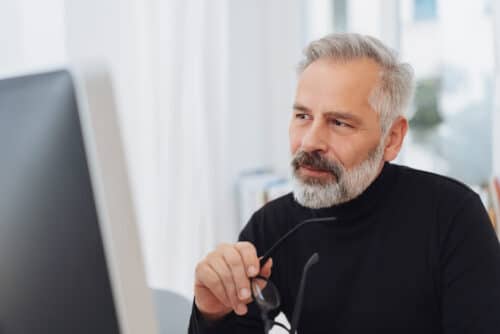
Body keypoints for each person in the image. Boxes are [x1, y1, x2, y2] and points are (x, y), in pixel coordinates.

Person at [188, 33, 500, 333]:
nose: (310, 142)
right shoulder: (272, 225)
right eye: (302, 117)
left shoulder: (453, 217)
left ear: (391, 138)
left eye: (339, 123)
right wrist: (213, 315)